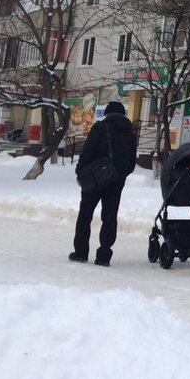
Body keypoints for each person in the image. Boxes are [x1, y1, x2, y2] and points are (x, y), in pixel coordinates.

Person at [70, 101, 138, 267]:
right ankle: (104, 255)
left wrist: (80, 172)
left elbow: (87, 152)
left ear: (107, 113)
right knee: (110, 217)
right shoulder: (130, 133)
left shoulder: (100, 128)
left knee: (85, 214)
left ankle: (81, 252)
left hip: (95, 178)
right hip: (117, 181)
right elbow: (131, 162)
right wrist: (120, 175)